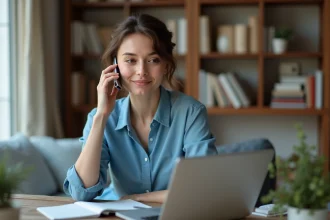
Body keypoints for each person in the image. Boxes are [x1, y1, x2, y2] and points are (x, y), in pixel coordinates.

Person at [63, 14, 217, 203]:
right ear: (115, 65)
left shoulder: (190, 112)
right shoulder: (100, 118)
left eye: (153, 60)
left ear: (166, 63)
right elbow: (81, 192)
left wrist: (136, 198)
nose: (141, 71)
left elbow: (202, 188)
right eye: (130, 60)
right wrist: (102, 116)